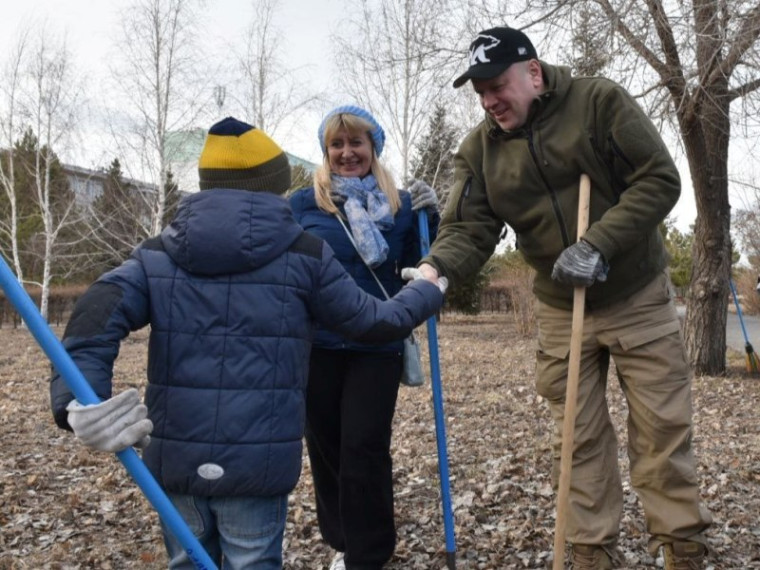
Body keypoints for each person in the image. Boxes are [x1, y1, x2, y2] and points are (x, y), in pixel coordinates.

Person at [49, 117, 446, 570]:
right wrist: (427, 290)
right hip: (257, 464)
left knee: (190, 562)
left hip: (176, 458)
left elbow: (94, 316)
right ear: (274, 185)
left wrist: (78, 401)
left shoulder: (155, 254)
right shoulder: (304, 252)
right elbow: (373, 319)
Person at [417, 27, 712, 570]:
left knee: (661, 432)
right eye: (479, 91)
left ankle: (681, 549)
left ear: (532, 72)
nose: (488, 101)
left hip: (634, 294)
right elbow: (470, 228)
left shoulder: (598, 103)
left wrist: (599, 242)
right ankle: (592, 550)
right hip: (559, 307)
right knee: (576, 437)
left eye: (496, 85)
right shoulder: (478, 150)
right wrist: (435, 271)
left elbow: (658, 178)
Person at [289, 105, 440, 570]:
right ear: (326, 151)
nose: (347, 152)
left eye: (356, 142)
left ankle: (369, 554)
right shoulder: (303, 205)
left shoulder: (400, 204)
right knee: (327, 446)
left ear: (373, 147)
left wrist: (430, 219)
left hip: (377, 341)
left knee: (364, 446)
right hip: (319, 344)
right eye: (337, 144)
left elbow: (420, 263)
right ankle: (342, 540)